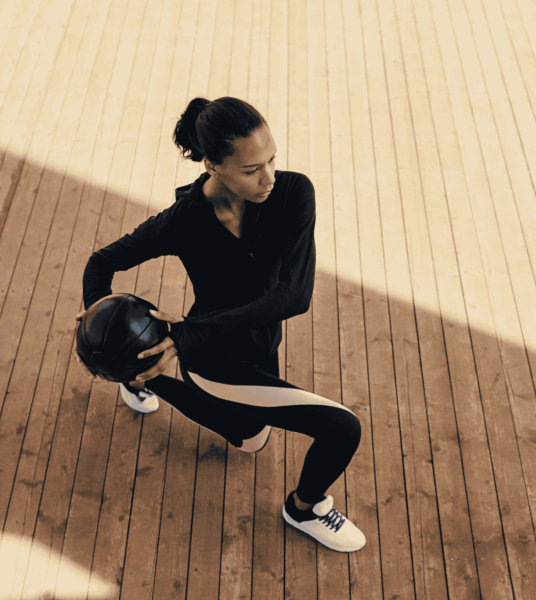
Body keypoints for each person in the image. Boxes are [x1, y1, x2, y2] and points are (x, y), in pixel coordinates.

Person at [76, 96, 365, 552]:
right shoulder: (182, 221)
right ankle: (305, 508)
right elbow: (101, 262)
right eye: (252, 170)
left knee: (252, 438)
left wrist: (183, 333)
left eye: (272, 160)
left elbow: (294, 296)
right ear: (213, 165)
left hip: (249, 339)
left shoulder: (291, 194)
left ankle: (142, 376)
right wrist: (102, 322)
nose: (268, 177)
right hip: (211, 354)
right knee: (343, 428)